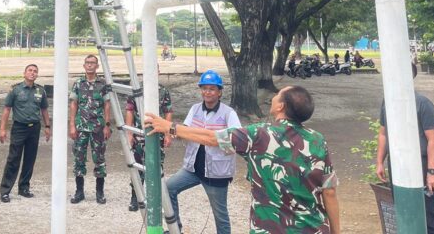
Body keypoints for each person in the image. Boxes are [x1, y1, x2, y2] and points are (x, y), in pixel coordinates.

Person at [146, 85, 341, 234]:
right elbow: (329, 192)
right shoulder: (317, 140)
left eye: (277, 95)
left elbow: (212, 139)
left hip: (269, 228)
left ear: (280, 106)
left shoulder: (260, 134)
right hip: (313, 228)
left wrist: (170, 127)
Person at [163, 70, 241, 234]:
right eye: (204, 88)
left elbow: (237, 141)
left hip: (216, 173)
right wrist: (173, 132)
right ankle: (175, 229)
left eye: (212, 89)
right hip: (192, 168)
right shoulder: (195, 109)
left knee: (220, 216)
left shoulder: (229, 114)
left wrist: (213, 140)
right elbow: (185, 130)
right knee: (168, 188)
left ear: (220, 92)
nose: (207, 92)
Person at [376, 63, 434, 234]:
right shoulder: (387, 102)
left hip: (420, 164)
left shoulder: (423, 104)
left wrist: (432, 172)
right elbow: (383, 134)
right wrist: (379, 162)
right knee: (404, 209)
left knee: (429, 215)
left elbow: (433, 140)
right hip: (397, 163)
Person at [0, 64, 51, 202]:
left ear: (37, 75)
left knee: (30, 159)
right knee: (13, 159)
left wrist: (47, 126)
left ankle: (24, 187)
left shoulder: (41, 91)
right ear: (24, 73)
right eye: (30, 70)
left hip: (34, 128)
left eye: (35, 71)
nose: (32, 73)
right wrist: (2, 129)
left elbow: (44, 110)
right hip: (19, 128)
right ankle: (5, 190)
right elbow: (6, 110)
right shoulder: (15, 90)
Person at [125, 73, 173, 211]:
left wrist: (168, 134)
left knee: (158, 166)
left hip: (157, 134)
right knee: (137, 166)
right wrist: (129, 132)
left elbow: (168, 112)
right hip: (139, 134)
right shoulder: (136, 89)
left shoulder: (163, 91)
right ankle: (136, 198)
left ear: (157, 72)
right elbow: (129, 110)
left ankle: (156, 198)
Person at [69, 54, 112, 204]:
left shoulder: (102, 84)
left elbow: (107, 105)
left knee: (99, 159)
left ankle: (99, 193)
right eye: (87, 62)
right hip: (81, 127)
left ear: (97, 66)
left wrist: (107, 125)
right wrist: (72, 125)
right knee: (78, 159)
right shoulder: (78, 83)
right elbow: (74, 104)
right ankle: (79, 191)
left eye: (93, 63)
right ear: (84, 65)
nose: (90, 65)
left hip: (98, 128)